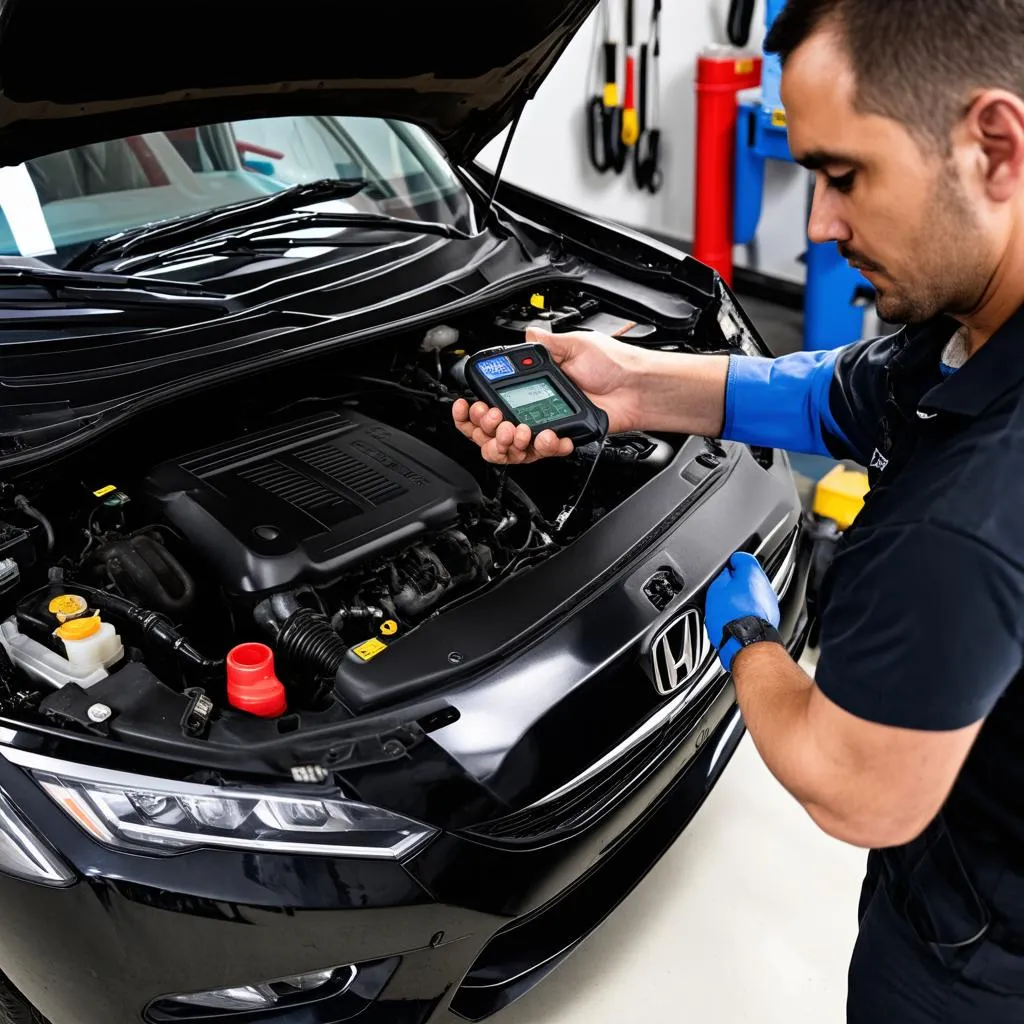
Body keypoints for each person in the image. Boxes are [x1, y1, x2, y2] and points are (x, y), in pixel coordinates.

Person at [453, 0, 1024, 1019]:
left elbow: (851, 783)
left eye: (842, 173)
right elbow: (837, 391)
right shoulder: (980, 320)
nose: (816, 223)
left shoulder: (967, 514)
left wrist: (742, 622)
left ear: (995, 144)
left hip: (971, 963)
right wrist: (631, 379)